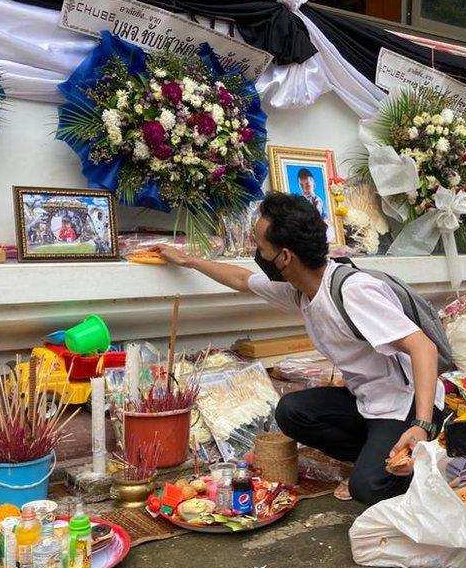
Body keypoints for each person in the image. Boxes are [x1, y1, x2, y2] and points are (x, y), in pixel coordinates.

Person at [153, 192, 444, 505]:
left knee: (367, 489)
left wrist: (422, 425)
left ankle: (428, 455)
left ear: (285, 257)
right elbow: (242, 279)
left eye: (261, 248)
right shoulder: (302, 290)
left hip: (408, 406)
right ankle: (371, 457)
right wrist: (188, 261)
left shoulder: (353, 292)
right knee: (291, 412)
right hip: (367, 402)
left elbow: (423, 347)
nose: (258, 254)